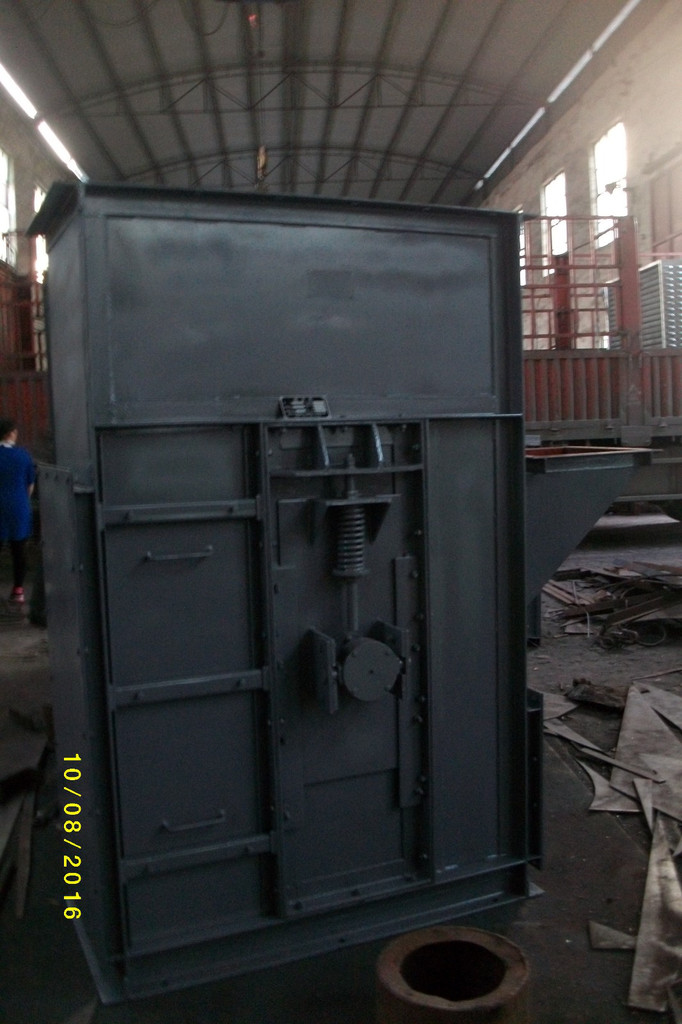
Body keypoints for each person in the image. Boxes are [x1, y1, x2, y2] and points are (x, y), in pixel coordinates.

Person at [0, 418, 36, 604]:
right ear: (11, 433)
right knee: (19, 550)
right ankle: (18, 591)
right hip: (18, 506)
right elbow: (30, 484)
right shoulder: (23, 455)